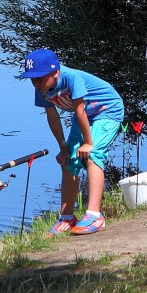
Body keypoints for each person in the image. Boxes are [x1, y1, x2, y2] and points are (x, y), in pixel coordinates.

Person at [18, 48, 125, 235]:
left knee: (92, 155)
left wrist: (88, 143)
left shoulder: (72, 78)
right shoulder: (41, 89)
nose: (35, 83)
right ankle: (67, 217)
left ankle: (95, 215)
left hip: (107, 111)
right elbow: (52, 117)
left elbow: (80, 110)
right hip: (83, 116)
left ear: (55, 72)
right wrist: (63, 148)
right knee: (68, 161)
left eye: (39, 78)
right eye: (32, 79)